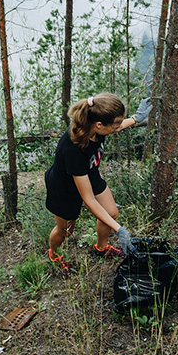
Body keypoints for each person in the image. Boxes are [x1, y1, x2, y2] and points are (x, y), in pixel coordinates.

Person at [44, 93, 151, 273]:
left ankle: (101, 249)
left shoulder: (95, 125)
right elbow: (89, 200)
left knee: (111, 212)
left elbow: (117, 125)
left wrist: (136, 118)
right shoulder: (74, 149)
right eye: (115, 125)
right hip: (64, 189)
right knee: (65, 231)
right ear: (100, 125)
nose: (117, 128)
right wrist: (120, 231)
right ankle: (54, 255)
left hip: (89, 174)